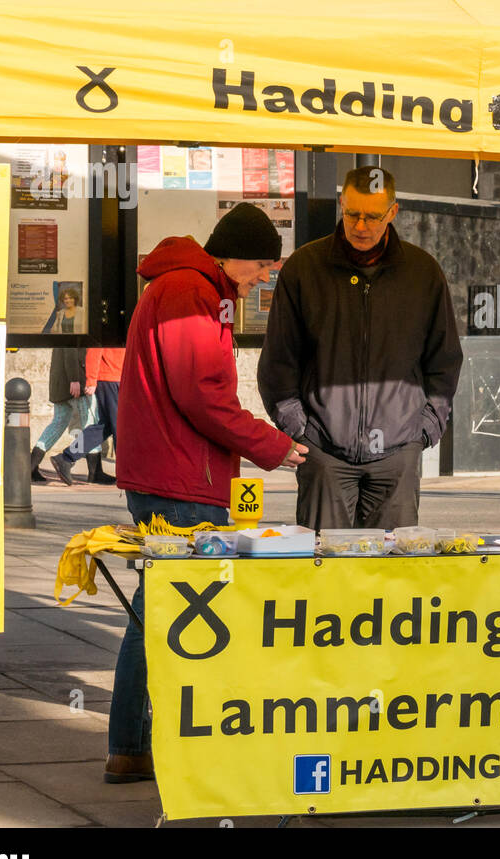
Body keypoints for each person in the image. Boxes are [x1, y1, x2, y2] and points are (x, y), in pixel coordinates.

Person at [105, 202, 306, 784]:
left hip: (172, 473)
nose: (265, 277)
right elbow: (203, 394)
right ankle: (142, 745)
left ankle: (133, 746)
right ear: (238, 255)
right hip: (181, 480)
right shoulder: (191, 291)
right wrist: (271, 446)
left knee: (156, 612)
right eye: (264, 265)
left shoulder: (187, 286)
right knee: (167, 617)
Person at [258, 165, 463, 531]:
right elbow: (278, 360)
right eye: (352, 213)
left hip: (398, 452)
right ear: (341, 204)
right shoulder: (305, 268)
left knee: (389, 578)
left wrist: (428, 427)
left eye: (373, 216)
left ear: (393, 213)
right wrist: (299, 428)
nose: (361, 226)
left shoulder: (422, 273)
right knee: (323, 573)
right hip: (323, 449)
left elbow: (444, 359)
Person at [49, 347, 123, 485]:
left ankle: (66, 458)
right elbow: (95, 349)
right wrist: (91, 380)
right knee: (120, 426)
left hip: (117, 377)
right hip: (111, 378)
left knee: (103, 427)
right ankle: (127, 473)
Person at [29, 348, 96, 485]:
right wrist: (75, 379)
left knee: (58, 424)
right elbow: (70, 350)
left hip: (61, 383)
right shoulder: (73, 327)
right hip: (73, 382)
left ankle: (30, 466)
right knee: (90, 425)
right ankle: (86, 467)